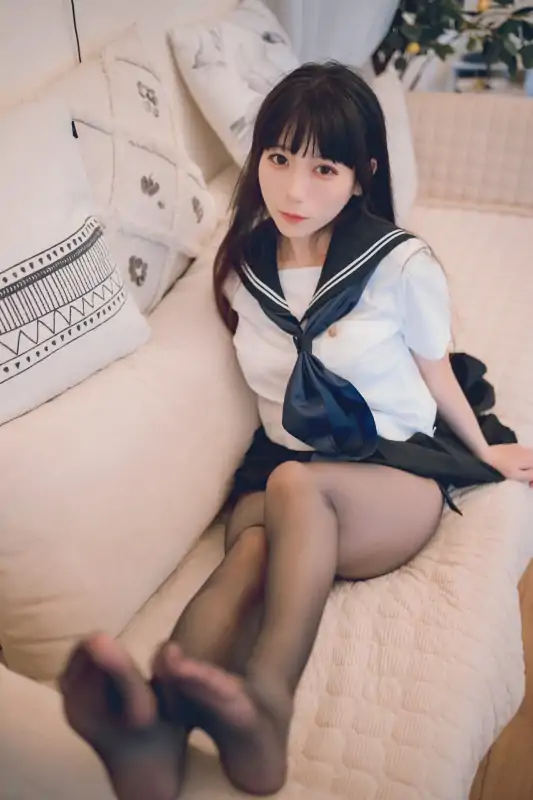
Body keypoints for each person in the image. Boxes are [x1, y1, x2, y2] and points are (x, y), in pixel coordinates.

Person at [59, 62, 533, 800]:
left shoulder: (399, 266)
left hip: (391, 473)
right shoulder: (243, 267)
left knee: (291, 487)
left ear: (361, 175)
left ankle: (268, 703)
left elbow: (436, 372)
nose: (294, 191)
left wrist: (485, 449)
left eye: (323, 168)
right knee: (252, 543)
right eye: (278, 158)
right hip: (284, 468)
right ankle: (153, 732)